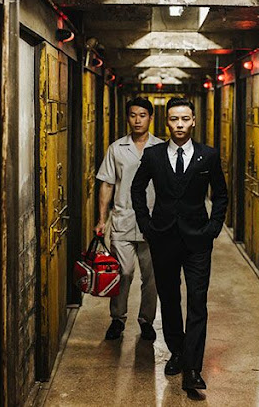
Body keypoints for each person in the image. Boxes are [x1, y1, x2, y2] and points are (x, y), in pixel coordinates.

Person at [131, 97, 228, 392]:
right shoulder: (154, 155)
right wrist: (146, 225)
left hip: (198, 239)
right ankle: (176, 351)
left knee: (197, 300)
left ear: (193, 121)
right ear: (167, 122)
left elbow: (221, 194)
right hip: (163, 237)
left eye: (185, 119)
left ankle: (193, 368)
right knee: (170, 298)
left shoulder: (208, 156)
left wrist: (213, 228)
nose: (180, 125)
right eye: (174, 119)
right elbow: (137, 189)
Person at [95, 97, 164, 341]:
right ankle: (118, 318)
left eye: (142, 115)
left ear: (151, 118)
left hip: (154, 224)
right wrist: (102, 219)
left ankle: (146, 321)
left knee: (151, 278)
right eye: (133, 115)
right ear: (127, 118)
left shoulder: (161, 148)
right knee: (122, 273)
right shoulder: (116, 148)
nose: (137, 120)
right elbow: (107, 184)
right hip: (123, 220)